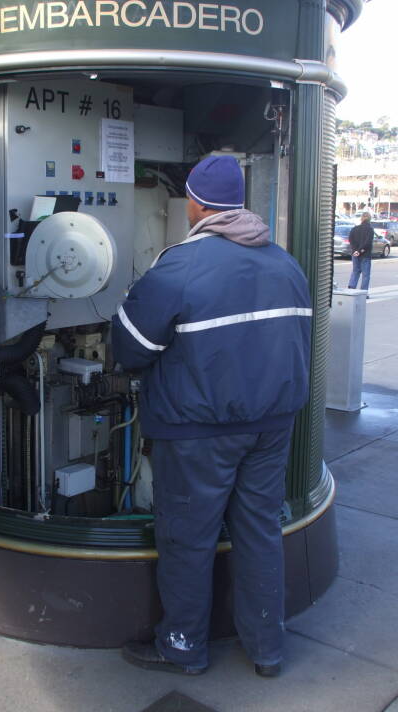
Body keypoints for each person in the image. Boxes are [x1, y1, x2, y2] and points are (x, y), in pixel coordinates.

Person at [111, 155, 312, 678]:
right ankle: (267, 649)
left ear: (196, 205)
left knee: (187, 537)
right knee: (260, 530)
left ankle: (182, 647)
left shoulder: (179, 265)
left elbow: (131, 348)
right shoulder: (285, 263)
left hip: (198, 431)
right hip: (272, 427)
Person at [347, 211, 374, 292]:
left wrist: (355, 251)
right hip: (365, 255)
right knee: (365, 275)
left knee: (355, 271)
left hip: (355, 254)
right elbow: (368, 243)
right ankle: (363, 292)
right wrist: (360, 251)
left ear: (361, 218)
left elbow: (350, 240)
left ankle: (351, 289)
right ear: (369, 219)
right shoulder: (370, 229)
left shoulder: (354, 229)